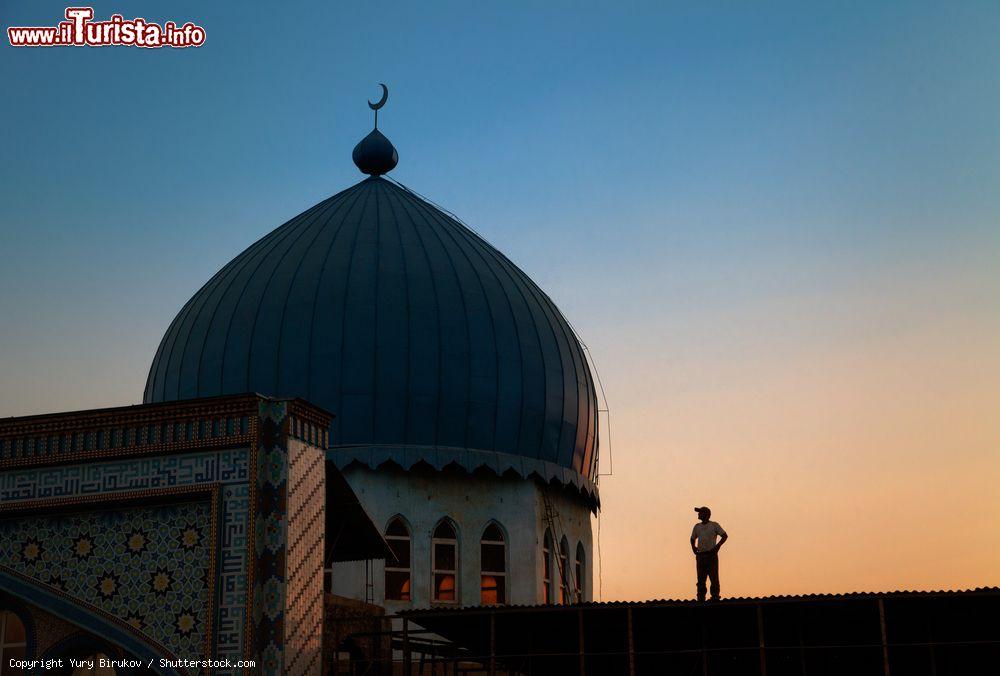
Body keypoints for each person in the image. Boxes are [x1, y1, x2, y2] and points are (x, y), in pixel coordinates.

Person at [690, 506, 728, 601]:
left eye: (700, 512)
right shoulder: (697, 526)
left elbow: (724, 536)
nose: (698, 514)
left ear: (706, 514)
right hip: (701, 555)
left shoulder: (714, 525)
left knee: (713, 577)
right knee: (701, 578)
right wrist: (694, 548)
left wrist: (717, 546)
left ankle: (715, 596)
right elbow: (692, 538)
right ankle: (701, 597)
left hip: (711, 555)